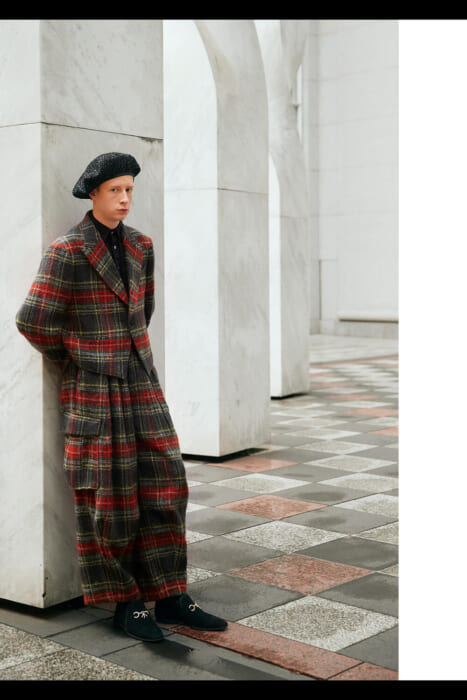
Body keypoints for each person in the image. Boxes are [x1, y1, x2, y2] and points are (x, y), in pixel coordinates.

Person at [16, 152, 227, 643]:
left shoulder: (141, 245)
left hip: (141, 379)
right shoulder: (67, 250)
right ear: (93, 193)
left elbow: (142, 311)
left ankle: (170, 595)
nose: (126, 198)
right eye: (116, 190)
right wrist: (81, 356)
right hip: (94, 387)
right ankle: (127, 603)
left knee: (167, 484)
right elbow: (33, 321)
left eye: (130, 189)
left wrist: (126, 353)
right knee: (109, 497)